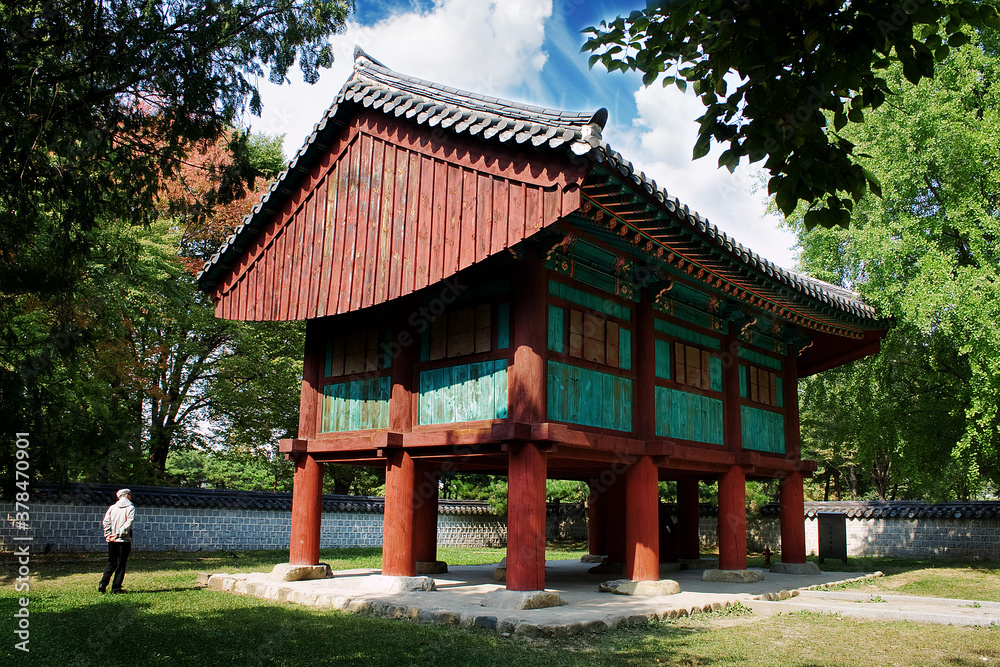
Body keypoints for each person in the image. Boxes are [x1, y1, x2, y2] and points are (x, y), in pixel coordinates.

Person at [98, 488, 135, 594]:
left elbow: (106, 522)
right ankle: (116, 588)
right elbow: (129, 523)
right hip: (124, 540)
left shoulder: (112, 508)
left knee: (112, 562)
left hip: (112, 539)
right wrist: (118, 534)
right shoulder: (130, 508)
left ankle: (103, 583)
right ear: (127, 495)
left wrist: (109, 534)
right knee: (121, 564)